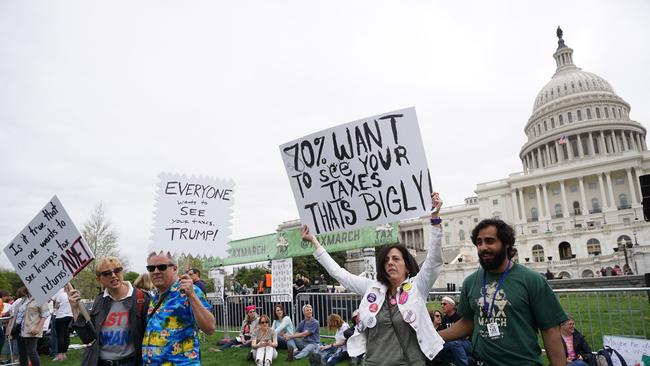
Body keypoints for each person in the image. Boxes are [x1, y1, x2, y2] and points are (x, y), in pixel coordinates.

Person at [306, 192, 445, 365]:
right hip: (373, 362)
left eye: (396, 259)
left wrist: (435, 217)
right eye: (386, 260)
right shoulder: (372, 288)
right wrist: (314, 242)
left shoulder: (418, 286)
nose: (390, 263)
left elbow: (434, 260)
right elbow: (340, 273)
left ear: (407, 266)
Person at [439, 218, 567, 366]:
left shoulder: (531, 280)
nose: (483, 247)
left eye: (489, 241)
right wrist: (434, 337)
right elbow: (468, 323)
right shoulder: (470, 282)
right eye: (479, 242)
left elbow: (550, 330)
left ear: (506, 244)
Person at [69, 256, 151, 366]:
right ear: (99, 279)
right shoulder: (100, 300)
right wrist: (74, 308)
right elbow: (88, 338)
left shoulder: (142, 298)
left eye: (117, 270)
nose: (113, 275)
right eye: (107, 273)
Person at [142, 251, 216, 365]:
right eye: (151, 268)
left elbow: (210, 328)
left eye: (161, 267)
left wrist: (191, 295)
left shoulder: (190, 291)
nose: (156, 272)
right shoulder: (155, 296)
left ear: (175, 268)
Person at [13, 287, 50, 366]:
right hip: (20, 330)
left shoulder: (40, 298)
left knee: (32, 352)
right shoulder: (24, 299)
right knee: (22, 353)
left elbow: (45, 314)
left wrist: (38, 328)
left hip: (31, 329)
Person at [433, 296, 471, 366]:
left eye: (444, 304)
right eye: (441, 304)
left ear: (452, 305)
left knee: (455, 344)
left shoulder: (460, 316)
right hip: (451, 343)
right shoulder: (444, 319)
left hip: (466, 343)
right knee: (438, 347)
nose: (442, 306)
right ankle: (468, 361)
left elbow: (466, 335)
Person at [51, 286, 73, 361]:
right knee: (66, 336)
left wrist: (58, 306)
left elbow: (56, 306)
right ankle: (64, 354)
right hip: (70, 316)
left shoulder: (61, 295)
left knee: (60, 336)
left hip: (60, 317)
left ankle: (60, 355)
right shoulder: (72, 295)